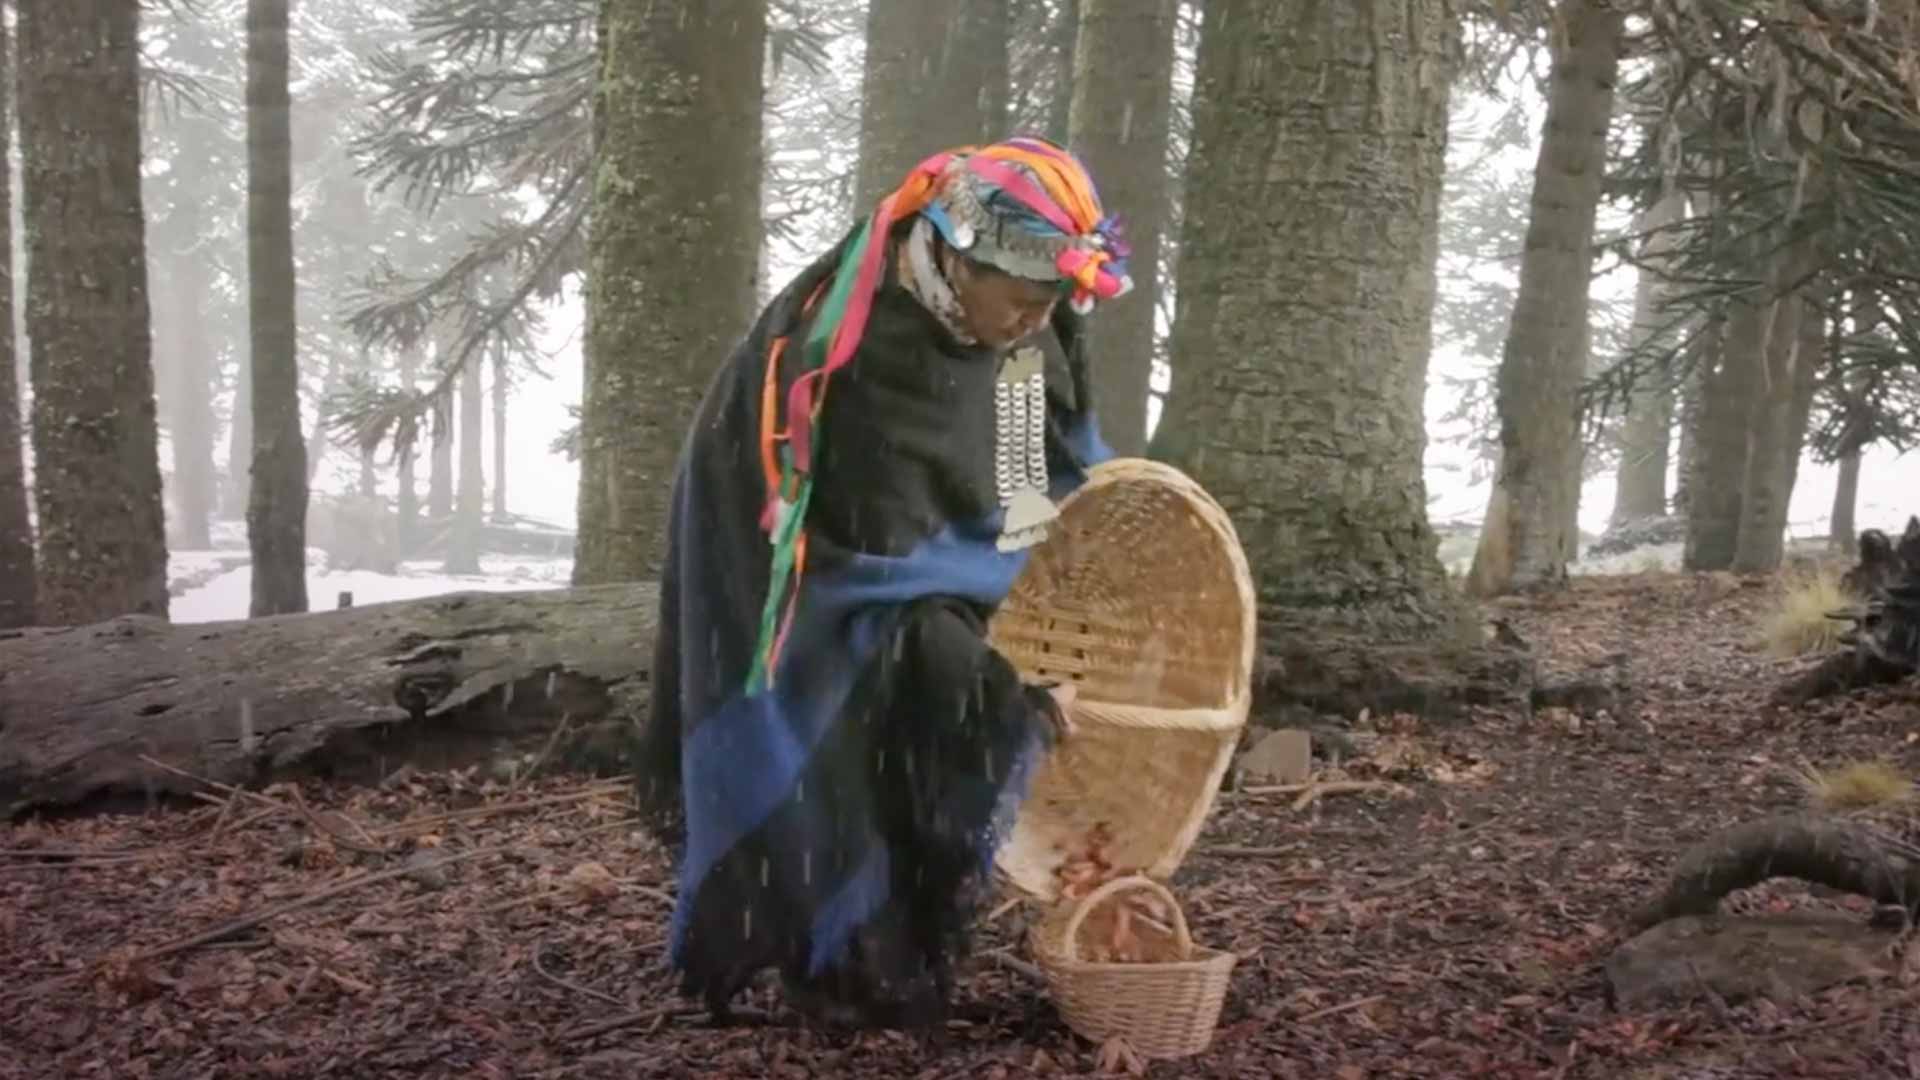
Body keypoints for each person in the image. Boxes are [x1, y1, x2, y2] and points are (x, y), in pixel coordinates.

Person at [634, 135, 1132, 1030]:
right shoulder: (858, 354)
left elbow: (1027, 457)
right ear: (957, 257)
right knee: (833, 739)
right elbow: (874, 578)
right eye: (1021, 301)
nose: (1034, 321)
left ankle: (893, 939)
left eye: (1050, 304)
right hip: (796, 563)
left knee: (927, 720)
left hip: (911, 566)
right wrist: (1004, 691)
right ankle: (831, 950)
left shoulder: (1023, 329)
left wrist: (1041, 557)